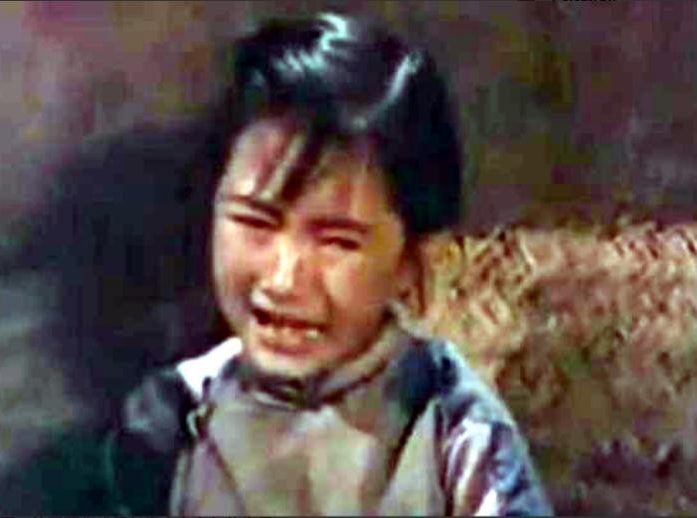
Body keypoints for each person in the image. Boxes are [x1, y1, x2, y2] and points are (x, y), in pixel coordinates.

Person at [105, 12, 553, 516]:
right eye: (255, 221)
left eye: (337, 242)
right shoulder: (169, 422)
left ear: (412, 260)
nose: (283, 279)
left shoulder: (457, 433)